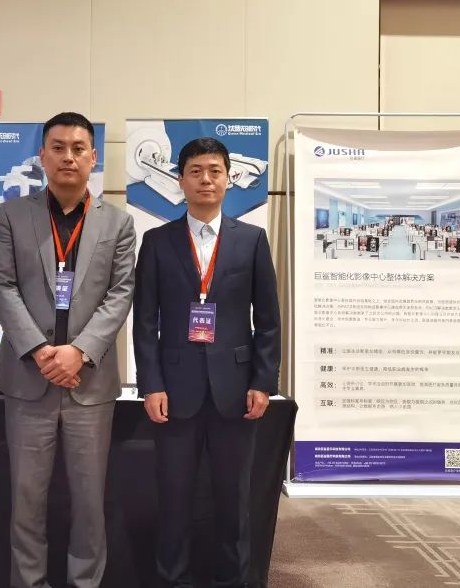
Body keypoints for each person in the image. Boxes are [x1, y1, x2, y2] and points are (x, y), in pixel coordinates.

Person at [0, 112, 135, 588]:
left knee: (89, 502)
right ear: (42, 156)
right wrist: (40, 350)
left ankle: (84, 583)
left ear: (93, 157)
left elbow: (120, 294)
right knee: (26, 500)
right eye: (58, 147)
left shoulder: (119, 222)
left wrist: (79, 352)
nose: (68, 157)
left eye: (78, 148)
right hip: (28, 380)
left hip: (90, 383)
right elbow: (2, 286)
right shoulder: (13, 215)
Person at [133, 137, 281, 588]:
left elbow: (268, 320)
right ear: (180, 180)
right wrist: (151, 384)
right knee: (173, 499)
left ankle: (233, 581)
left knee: (234, 500)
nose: (206, 180)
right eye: (195, 171)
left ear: (229, 179)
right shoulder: (156, 242)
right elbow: (145, 321)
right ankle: (172, 579)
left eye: (215, 171)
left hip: (236, 391)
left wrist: (263, 381)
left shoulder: (251, 240)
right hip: (174, 392)